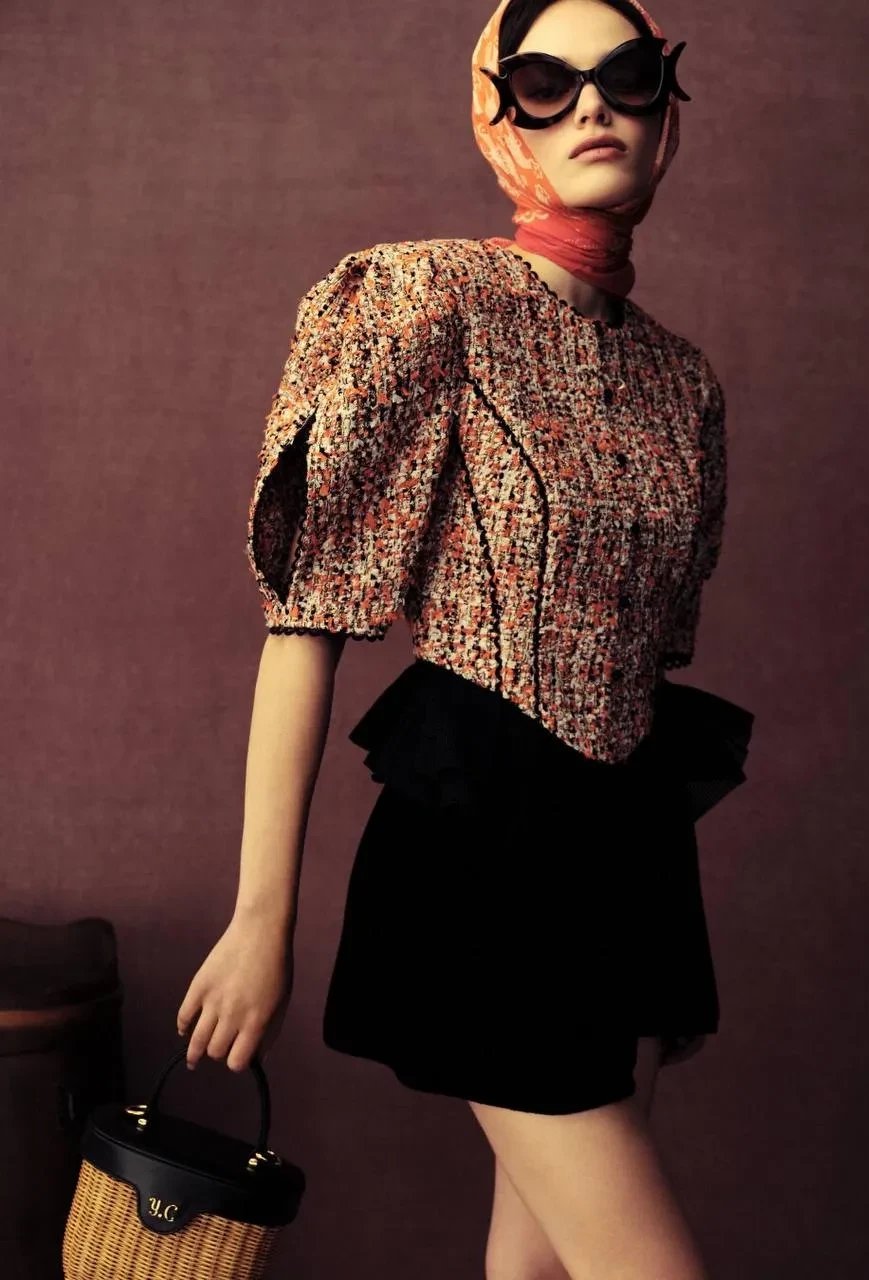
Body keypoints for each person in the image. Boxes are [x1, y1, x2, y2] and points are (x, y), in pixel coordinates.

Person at [176, 0, 754, 1275]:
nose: (592, 104)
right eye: (545, 81)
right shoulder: (422, 295)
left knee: (534, 1266)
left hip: (628, 859)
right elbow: (308, 615)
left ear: (666, 115)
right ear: (501, 120)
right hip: (484, 843)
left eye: (628, 76)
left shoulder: (683, 381)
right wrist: (262, 913)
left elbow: (645, 653)